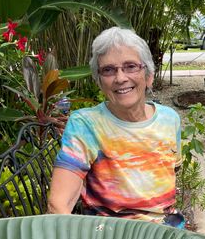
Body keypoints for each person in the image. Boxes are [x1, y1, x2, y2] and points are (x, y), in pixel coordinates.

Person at [48, 27, 183, 226]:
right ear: (99, 81)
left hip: (167, 235)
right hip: (111, 238)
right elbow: (58, 203)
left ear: (149, 76)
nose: (120, 78)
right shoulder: (86, 124)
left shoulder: (169, 119)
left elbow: (169, 179)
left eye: (131, 66)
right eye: (109, 70)